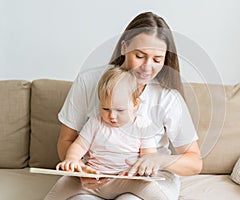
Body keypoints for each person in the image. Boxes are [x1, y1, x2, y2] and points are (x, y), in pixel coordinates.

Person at [56, 11, 202, 200]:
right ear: (124, 48)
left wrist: (158, 160)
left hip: (144, 181)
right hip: (95, 177)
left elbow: (194, 162)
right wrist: (79, 170)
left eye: (157, 59)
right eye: (140, 56)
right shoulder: (89, 81)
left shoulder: (168, 97)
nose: (148, 67)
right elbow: (65, 141)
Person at [45, 67, 163, 199]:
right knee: (64, 183)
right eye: (106, 109)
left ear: (135, 104)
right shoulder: (95, 123)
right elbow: (79, 146)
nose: (112, 116)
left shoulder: (142, 126)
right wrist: (73, 159)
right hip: (92, 179)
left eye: (120, 110)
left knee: (150, 187)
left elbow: (150, 155)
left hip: (125, 180)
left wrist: (143, 169)